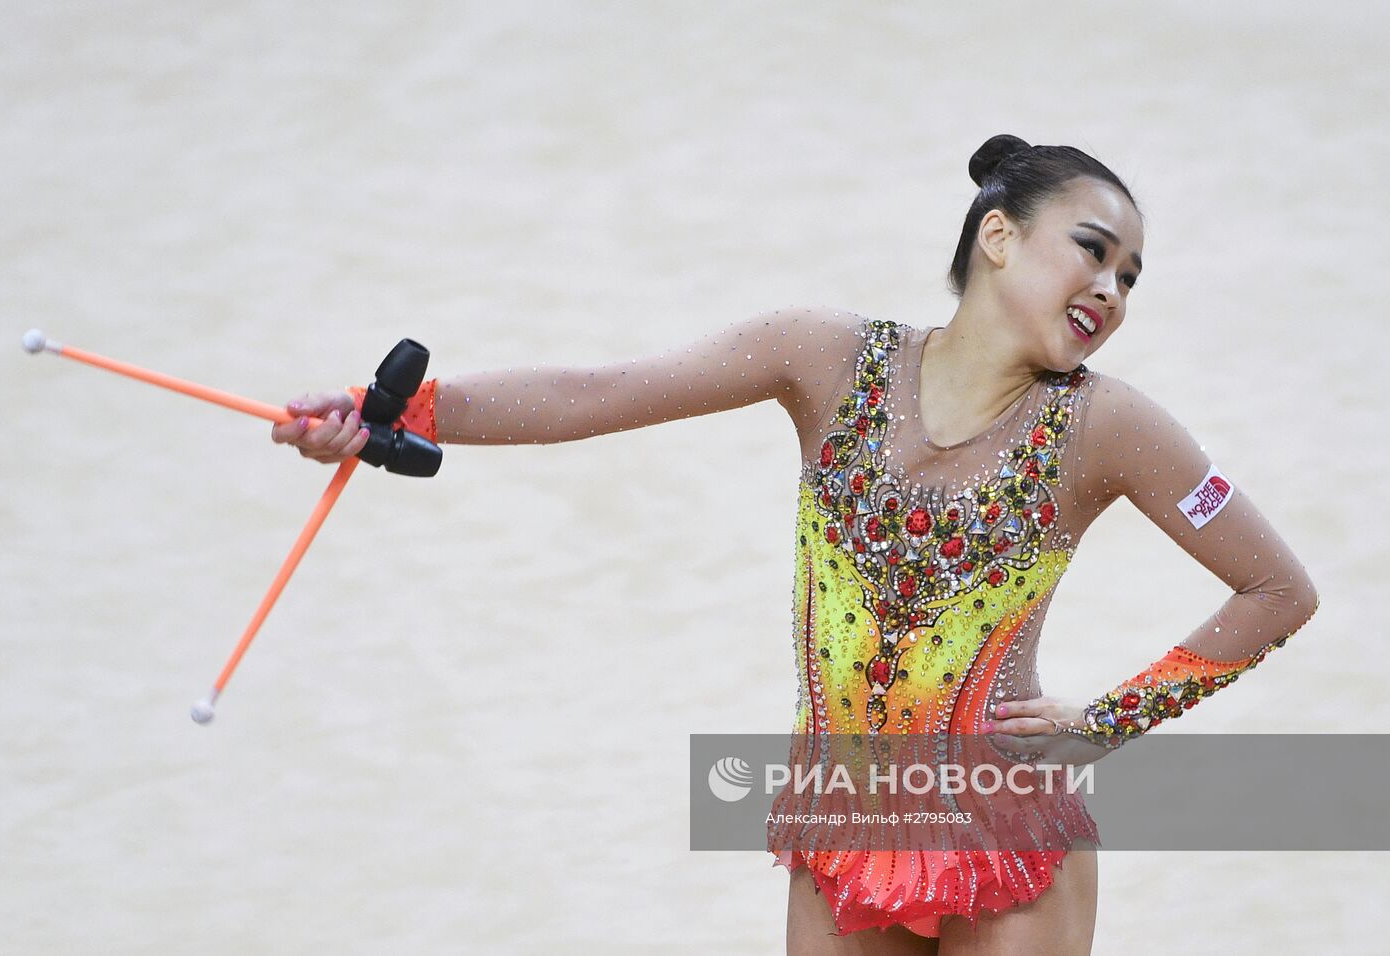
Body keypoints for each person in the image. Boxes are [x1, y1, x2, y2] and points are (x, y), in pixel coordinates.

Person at [270, 134, 1319, 955]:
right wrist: (396, 410)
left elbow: (1275, 588)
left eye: (1131, 276)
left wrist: (1102, 724)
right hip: (840, 824)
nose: (1112, 289)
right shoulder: (822, 356)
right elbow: (596, 392)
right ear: (997, 236)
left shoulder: (1107, 424)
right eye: (1092, 250)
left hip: (1004, 838)